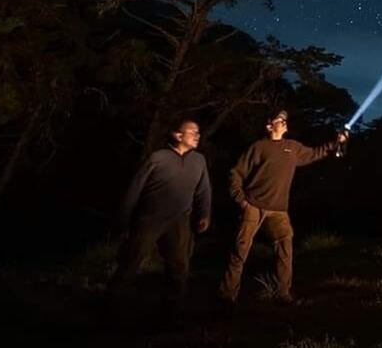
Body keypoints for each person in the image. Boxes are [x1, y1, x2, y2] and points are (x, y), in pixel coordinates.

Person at [218, 110, 348, 304]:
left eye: (286, 120)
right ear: (270, 125)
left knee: (285, 249)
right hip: (253, 206)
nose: (285, 122)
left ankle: (283, 294)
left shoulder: (292, 147)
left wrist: (336, 142)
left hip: (279, 210)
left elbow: (315, 153)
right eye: (281, 120)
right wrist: (241, 200)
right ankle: (227, 296)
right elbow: (235, 173)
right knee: (240, 251)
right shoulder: (259, 147)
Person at [107, 120, 212, 306]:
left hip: (180, 220)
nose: (197, 135)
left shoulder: (199, 160)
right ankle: (111, 303)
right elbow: (135, 188)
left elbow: (204, 190)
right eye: (192, 132)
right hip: (150, 218)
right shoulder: (158, 158)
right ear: (178, 136)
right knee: (131, 261)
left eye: (198, 132)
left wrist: (204, 214)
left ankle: (172, 310)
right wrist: (124, 218)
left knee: (179, 267)